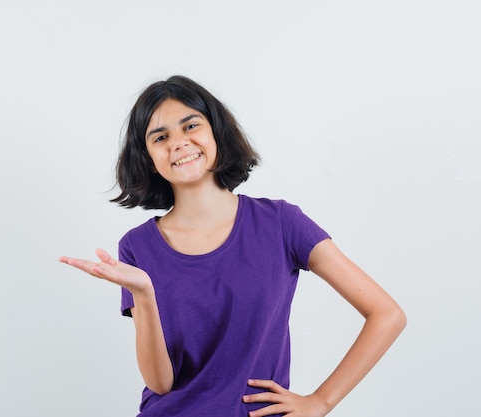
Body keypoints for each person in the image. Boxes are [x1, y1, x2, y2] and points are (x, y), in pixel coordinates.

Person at [59, 75, 406, 417]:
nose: (178, 143)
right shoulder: (137, 247)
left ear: (216, 133)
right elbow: (161, 384)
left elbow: (387, 315)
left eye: (190, 126)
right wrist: (145, 295)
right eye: (161, 137)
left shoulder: (281, 223)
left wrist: (320, 402)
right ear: (149, 159)